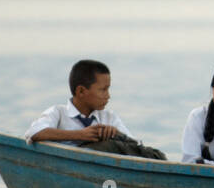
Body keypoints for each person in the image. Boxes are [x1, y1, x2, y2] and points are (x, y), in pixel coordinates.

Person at [25, 59, 167, 159]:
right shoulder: (58, 113)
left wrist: (115, 134)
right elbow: (34, 133)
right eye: (103, 90)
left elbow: (135, 147)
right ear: (81, 91)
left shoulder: (109, 117)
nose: (108, 96)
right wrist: (80, 135)